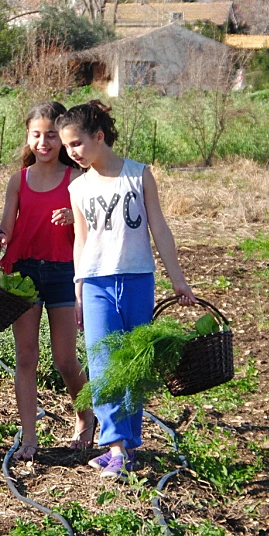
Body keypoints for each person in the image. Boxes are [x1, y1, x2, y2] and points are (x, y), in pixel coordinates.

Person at [56, 100, 196, 481]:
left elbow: (160, 230)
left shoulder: (138, 175)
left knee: (134, 362)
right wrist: (79, 288)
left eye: (77, 144)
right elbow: (80, 241)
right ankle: (115, 445)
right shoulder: (79, 186)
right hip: (97, 282)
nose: (72, 152)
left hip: (137, 279)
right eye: (68, 146)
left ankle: (127, 444)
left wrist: (178, 279)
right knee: (103, 366)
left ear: (99, 137)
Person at [0, 102, 95, 461]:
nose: (44, 142)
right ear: (28, 137)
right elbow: (7, 224)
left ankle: (85, 416)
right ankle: (30, 438)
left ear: (63, 138)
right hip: (24, 275)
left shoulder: (77, 178)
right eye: (37, 135)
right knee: (26, 357)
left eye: (52, 135)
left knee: (66, 359)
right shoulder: (18, 179)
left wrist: (73, 218)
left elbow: (91, 228)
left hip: (65, 272)